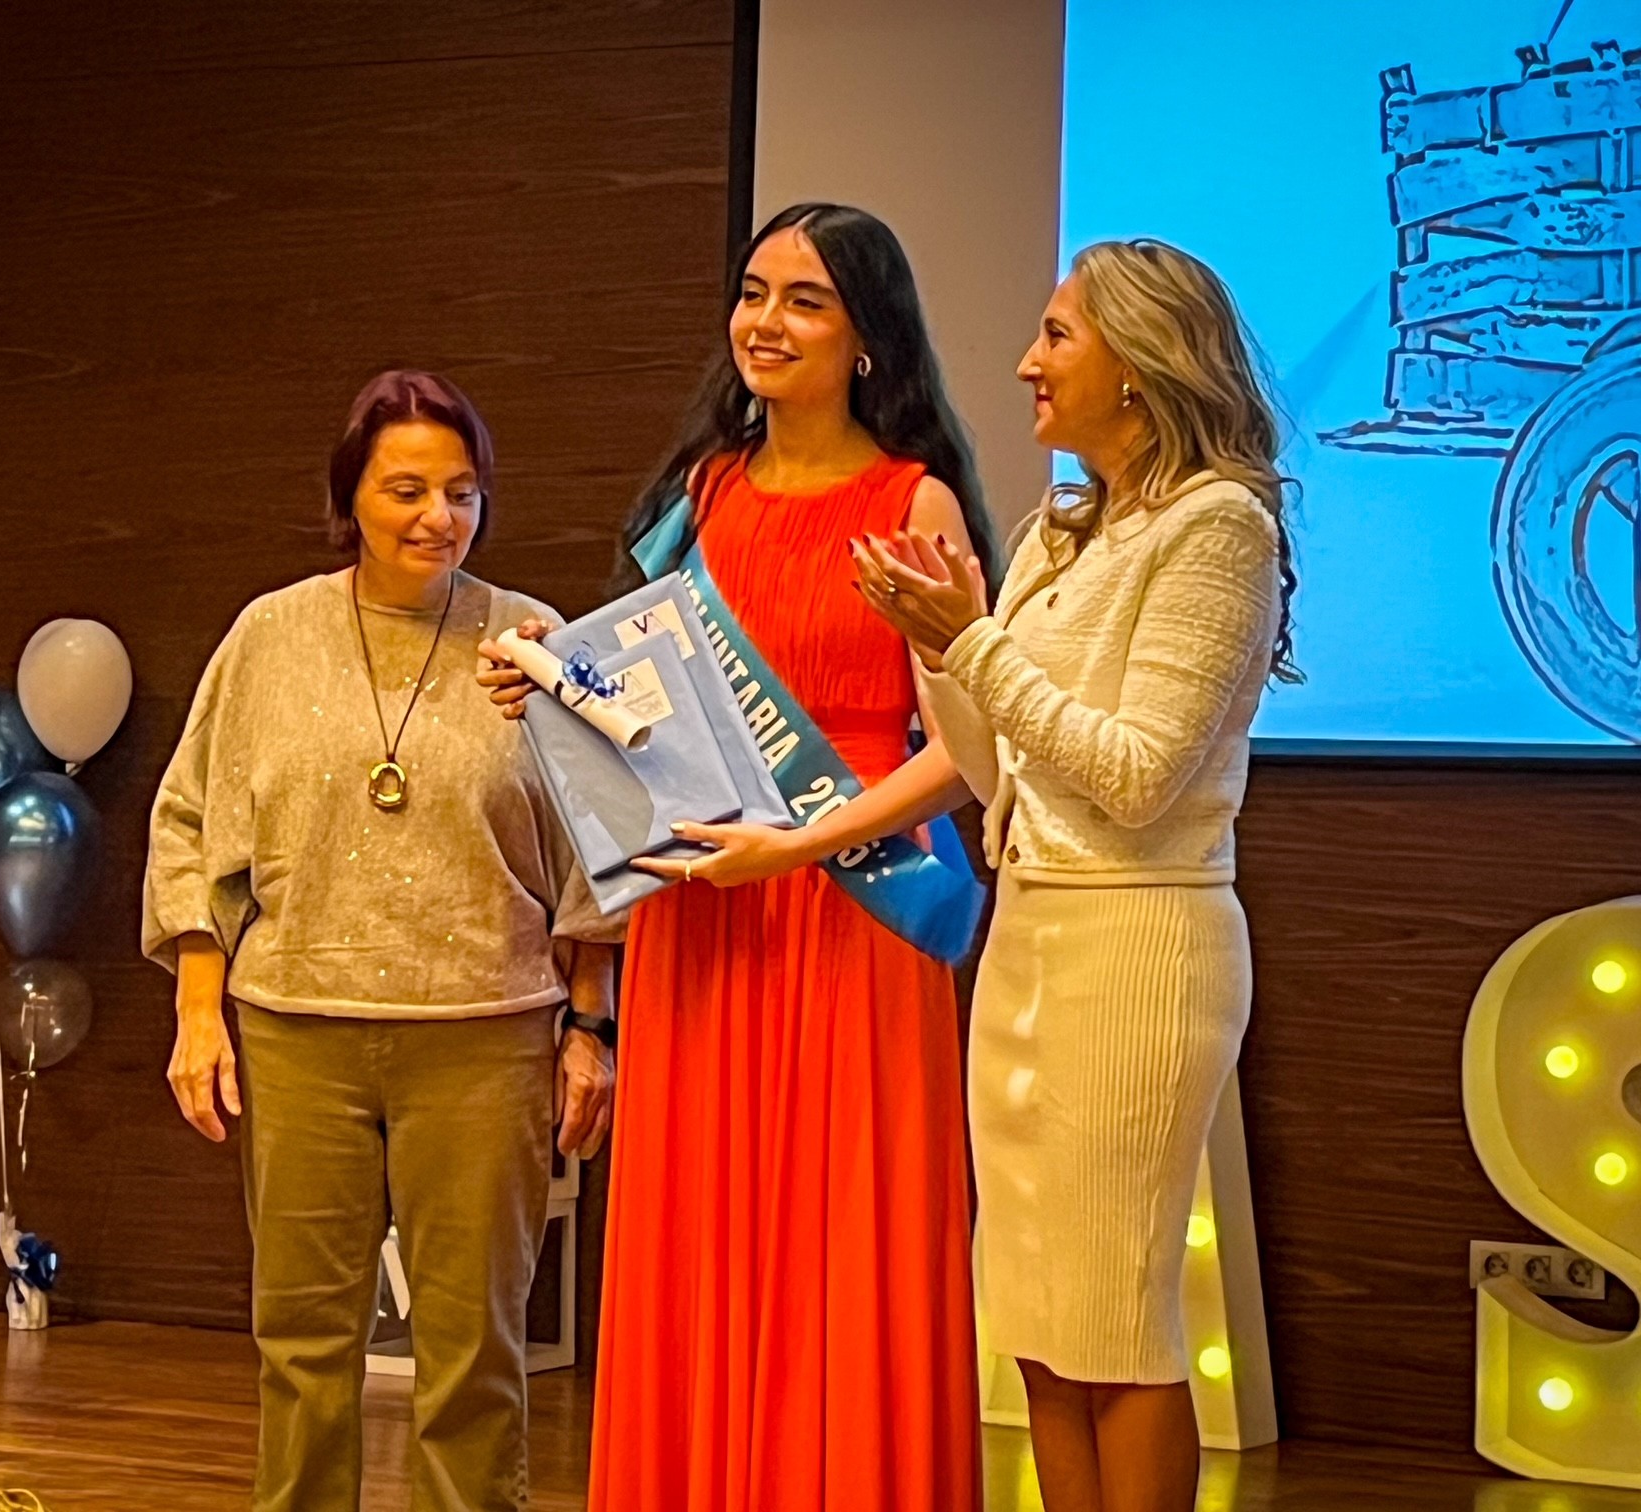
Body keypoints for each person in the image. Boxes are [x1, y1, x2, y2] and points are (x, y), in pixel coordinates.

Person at [483, 203, 1000, 1512]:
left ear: (869, 339)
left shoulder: (914, 503)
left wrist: (805, 842)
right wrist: (552, 687)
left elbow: (969, 750)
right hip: (704, 906)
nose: (765, 322)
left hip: (851, 908)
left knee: (842, 1232)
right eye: (754, 292)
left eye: (805, 301)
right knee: (702, 1229)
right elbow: (651, 714)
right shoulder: (696, 497)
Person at [853, 238, 1298, 1512]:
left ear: (1142, 366)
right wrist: (934, 644)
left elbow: (1138, 775)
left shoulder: (1218, 527)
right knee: (1039, 1323)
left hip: (1138, 944)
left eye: (1057, 335)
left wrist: (974, 643)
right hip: (1030, 932)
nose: (1025, 363)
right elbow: (994, 763)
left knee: (1115, 1319)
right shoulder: (1062, 528)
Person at [143, 369, 622, 1512]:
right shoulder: (270, 636)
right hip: (298, 1033)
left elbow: (598, 846)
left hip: (486, 1037)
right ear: (349, 496)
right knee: (301, 1351)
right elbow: (191, 822)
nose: (437, 517)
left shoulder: (532, 642)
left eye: (462, 492)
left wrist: (590, 1029)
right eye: (407, 490)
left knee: (477, 1359)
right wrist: (198, 1010)